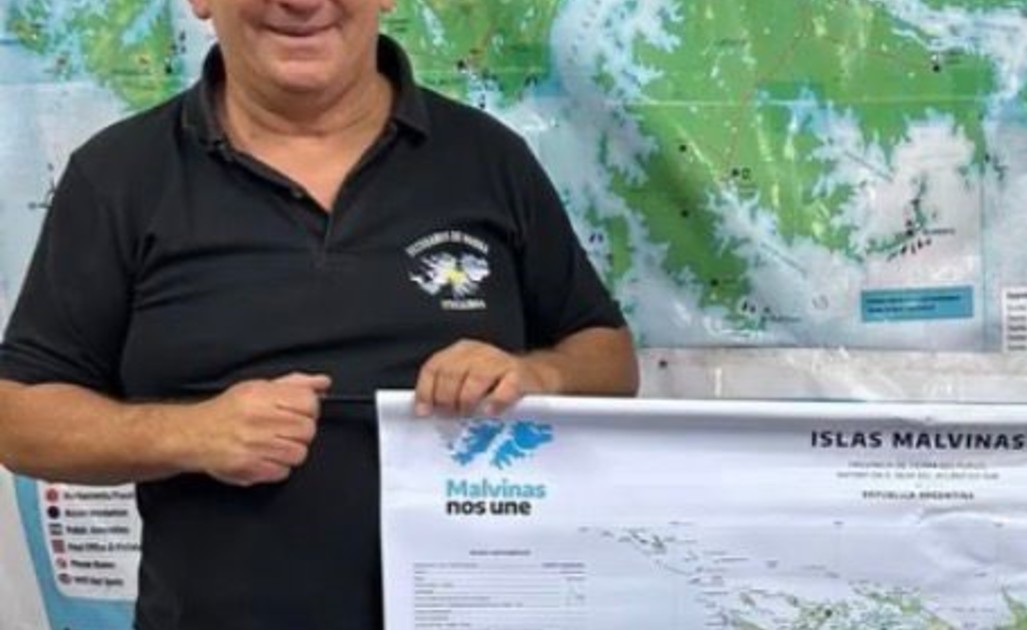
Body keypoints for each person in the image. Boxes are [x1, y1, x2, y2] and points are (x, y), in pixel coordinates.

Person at [0, 0, 638, 628]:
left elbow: (608, 356)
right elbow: (18, 417)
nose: (303, 4)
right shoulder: (119, 176)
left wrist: (534, 375)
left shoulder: (489, 159)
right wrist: (189, 435)